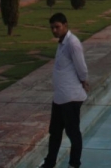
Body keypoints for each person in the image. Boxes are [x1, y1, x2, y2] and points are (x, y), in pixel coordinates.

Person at [43, 13, 90, 168]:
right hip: (60, 97)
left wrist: (83, 80)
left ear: (65, 25)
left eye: (57, 27)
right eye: (52, 28)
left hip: (71, 97)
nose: (54, 30)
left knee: (73, 132)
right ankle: (49, 163)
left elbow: (81, 67)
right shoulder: (62, 43)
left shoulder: (72, 43)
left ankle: (74, 164)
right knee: (55, 132)